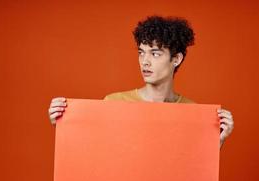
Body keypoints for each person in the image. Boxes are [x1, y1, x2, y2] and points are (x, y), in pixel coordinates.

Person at [48, 16, 234, 149]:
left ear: (176, 59)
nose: (145, 61)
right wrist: (65, 125)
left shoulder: (192, 112)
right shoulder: (114, 103)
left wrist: (217, 142)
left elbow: (191, 170)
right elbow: (92, 152)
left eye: (155, 53)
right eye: (141, 52)